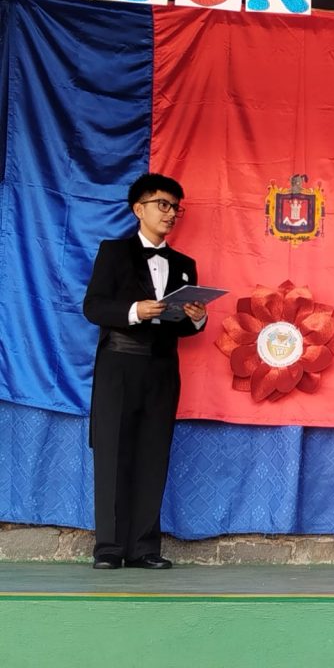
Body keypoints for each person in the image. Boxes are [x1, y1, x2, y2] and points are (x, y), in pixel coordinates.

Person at [83, 173, 207, 570]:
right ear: (139, 209)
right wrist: (136, 310)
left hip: (162, 370)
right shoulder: (114, 252)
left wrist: (197, 318)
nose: (170, 214)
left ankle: (143, 548)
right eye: (162, 205)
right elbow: (93, 307)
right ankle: (108, 548)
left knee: (154, 454)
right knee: (113, 453)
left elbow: (181, 326)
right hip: (118, 366)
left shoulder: (185, 265)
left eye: (175, 208)